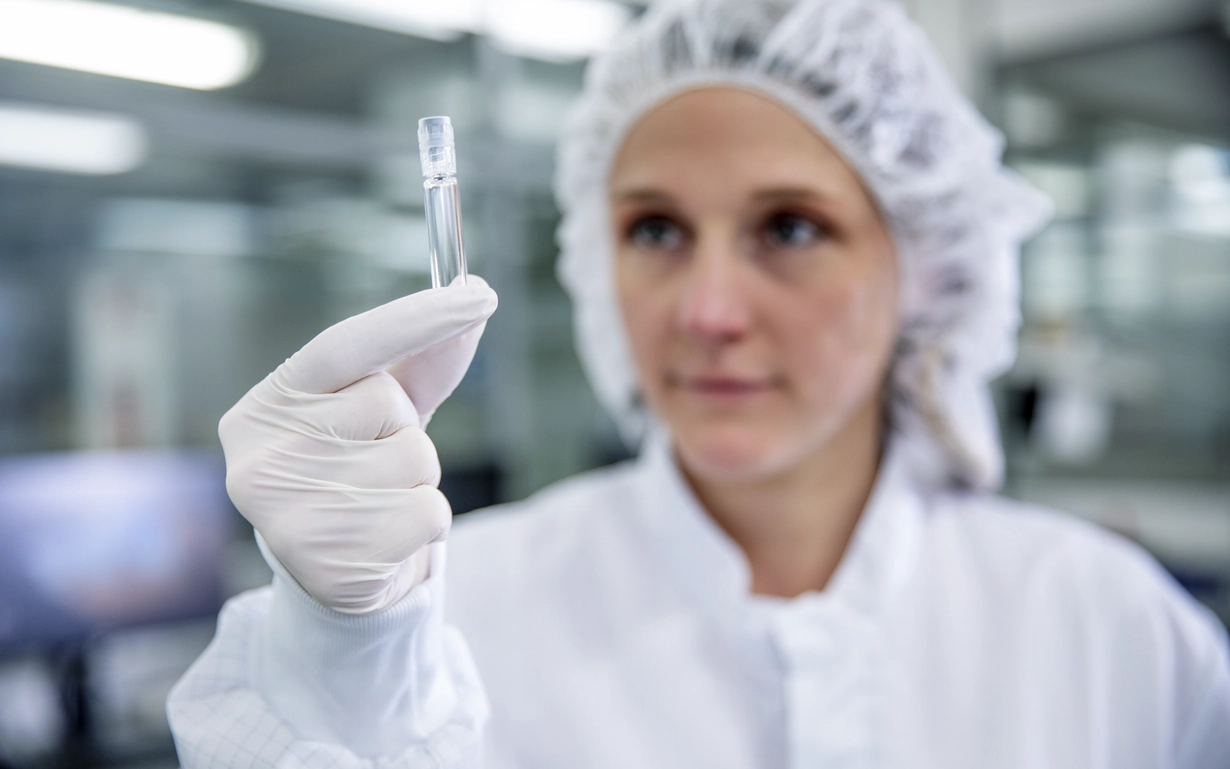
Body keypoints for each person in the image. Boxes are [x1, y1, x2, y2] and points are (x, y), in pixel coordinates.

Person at [167, 0, 1230, 766]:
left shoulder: (1104, 627)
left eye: (791, 226)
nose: (705, 310)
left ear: (926, 266)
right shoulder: (455, 611)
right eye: (657, 229)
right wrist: (345, 651)